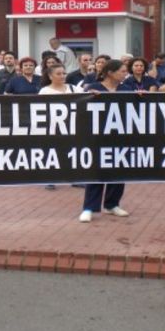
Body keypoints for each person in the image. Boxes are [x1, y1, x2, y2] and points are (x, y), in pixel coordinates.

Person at [79, 59, 132, 223]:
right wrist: (90, 98)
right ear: (110, 72)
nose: (125, 74)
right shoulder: (92, 88)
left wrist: (140, 98)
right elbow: (81, 109)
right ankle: (89, 207)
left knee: (118, 171)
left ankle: (112, 204)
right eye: (122, 71)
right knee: (96, 172)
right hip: (98, 137)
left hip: (120, 136)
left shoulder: (126, 89)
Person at [39, 63, 83, 190]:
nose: (62, 76)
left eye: (64, 73)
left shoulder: (74, 88)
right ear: (50, 76)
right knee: (52, 152)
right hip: (53, 126)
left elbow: (87, 98)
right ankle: (50, 178)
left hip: (72, 125)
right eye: (58, 74)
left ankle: (74, 178)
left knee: (72, 152)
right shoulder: (45, 91)